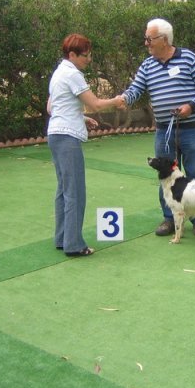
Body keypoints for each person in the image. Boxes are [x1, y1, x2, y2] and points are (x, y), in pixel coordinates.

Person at [121, 18, 195, 237]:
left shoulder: (189, 58)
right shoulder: (148, 64)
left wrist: (191, 106)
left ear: (163, 39)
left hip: (192, 128)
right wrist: (124, 98)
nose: (146, 43)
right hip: (165, 130)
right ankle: (169, 219)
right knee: (165, 176)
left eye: (149, 39)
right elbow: (136, 88)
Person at [47, 33, 125, 257]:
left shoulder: (58, 73)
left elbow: (52, 108)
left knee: (63, 190)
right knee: (75, 192)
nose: (88, 59)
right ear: (72, 55)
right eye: (85, 55)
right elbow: (97, 104)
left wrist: (80, 118)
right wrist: (116, 100)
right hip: (67, 138)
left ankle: (62, 238)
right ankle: (74, 245)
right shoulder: (73, 74)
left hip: (55, 134)